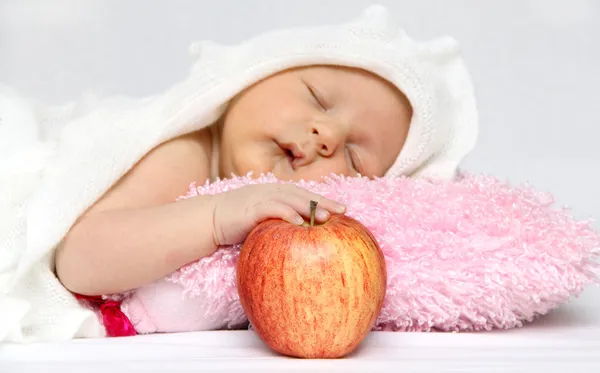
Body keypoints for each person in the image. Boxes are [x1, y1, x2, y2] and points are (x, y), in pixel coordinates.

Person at [0, 5, 478, 341]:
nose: (325, 132)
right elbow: (79, 260)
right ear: (256, 72)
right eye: (317, 96)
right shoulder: (187, 150)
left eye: (354, 158)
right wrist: (215, 218)